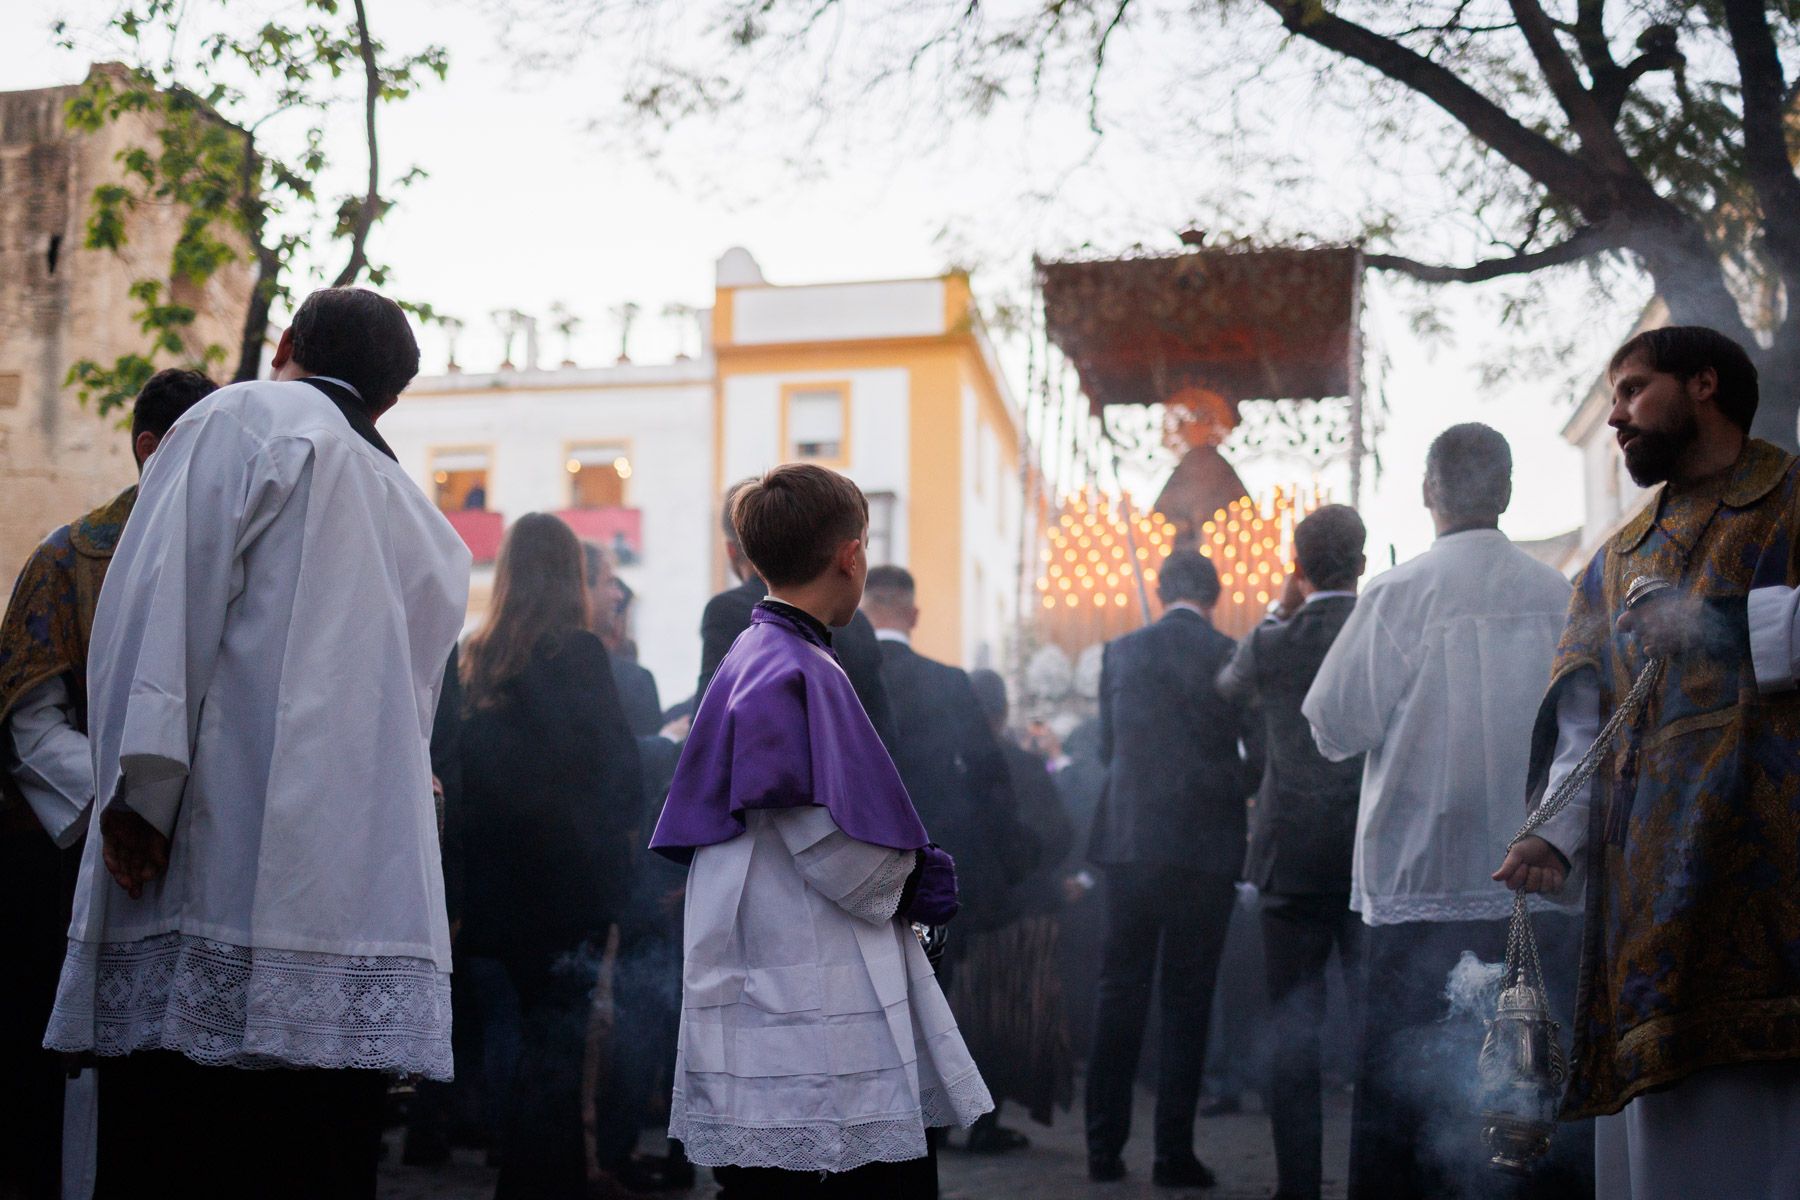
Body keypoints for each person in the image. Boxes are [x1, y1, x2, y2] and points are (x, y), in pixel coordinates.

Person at [42, 287, 471, 1200]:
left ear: (286, 343)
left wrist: (139, 798)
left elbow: (161, 612)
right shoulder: (427, 523)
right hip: (349, 903)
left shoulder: (239, 418)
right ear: (392, 399)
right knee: (309, 1154)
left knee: (187, 1152)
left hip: (212, 870)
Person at [1497, 327, 1800, 1200]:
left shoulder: (1792, 499)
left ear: (1704, 383)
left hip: (1778, 876)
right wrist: (1553, 839)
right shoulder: (1612, 562)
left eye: (1632, 391)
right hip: (1657, 896)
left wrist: (1723, 627)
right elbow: (1583, 725)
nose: (1617, 418)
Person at [650, 463, 991, 1199]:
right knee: (822, 1162)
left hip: (769, 934)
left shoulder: (762, 650)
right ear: (850, 554)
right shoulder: (789, 663)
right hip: (796, 945)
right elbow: (817, 833)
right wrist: (911, 885)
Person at [1304, 424, 1584, 1200]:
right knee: (1531, 1089)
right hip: (1538, 881)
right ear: (1508, 492)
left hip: (1419, 886)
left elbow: (1332, 726)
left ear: (1430, 492)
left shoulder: (1400, 593)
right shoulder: (1556, 594)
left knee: (1405, 1107)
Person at [0, 367, 216, 1200]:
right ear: (150, 450)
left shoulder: (222, 553)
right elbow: (30, 722)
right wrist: (124, 811)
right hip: (78, 857)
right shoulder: (69, 556)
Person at [457, 513, 644, 1198]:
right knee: (560, 1048)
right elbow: (618, 774)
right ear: (567, 575)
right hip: (569, 889)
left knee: (534, 1041)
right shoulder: (580, 654)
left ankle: (541, 1180)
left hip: (498, 892)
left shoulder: (474, 657)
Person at [1084, 548, 1258, 1188]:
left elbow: (1108, 747)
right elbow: (1254, 756)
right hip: (1205, 850)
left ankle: (1103, 1151)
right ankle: (1173, 1156)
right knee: (1188, 1004)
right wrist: (1224, 786)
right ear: (1214, 598)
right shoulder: (1231, 653)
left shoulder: (1120, 652)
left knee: (1117, 995)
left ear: (1160, 594)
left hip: (1130, 840)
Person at [1216, 504, 1367, 1200]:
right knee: (1377, 1031)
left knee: (1293, 1032)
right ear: (1362, 564)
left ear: (1298, 569)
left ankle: (1298, 1186)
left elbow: (1229, 686)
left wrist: (1279, 610)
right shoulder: (1379, 626)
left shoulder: (1274, 642)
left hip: (1289, 857)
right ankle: (1377, 1177)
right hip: (1370, 855)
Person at [862, 565, 1031, 955]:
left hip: (855, 867)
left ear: (860, 613)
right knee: (932, 982)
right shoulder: (950, 682)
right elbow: (988, 775)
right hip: (930, 868)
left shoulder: (837, 674)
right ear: (914, 616)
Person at [957, 668, 1076, 1150]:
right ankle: (987, 1122)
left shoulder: (951, 765)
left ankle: (940, 1122)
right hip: (1020, 914)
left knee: (957, 1016)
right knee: (1007, 1020)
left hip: (961, 912)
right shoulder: (1025, 767)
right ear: (1004, 711)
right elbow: (1059, 836)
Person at [697, 478, 897, 748]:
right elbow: (883, 732)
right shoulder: (856, 622)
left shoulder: (729, 612)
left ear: (732, 550)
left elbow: (710, 721)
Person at [584, 540, 663, 736]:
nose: (618, 596)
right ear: (584, 590)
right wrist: (667, 740)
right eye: (610, 582)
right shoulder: (633, 680)